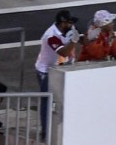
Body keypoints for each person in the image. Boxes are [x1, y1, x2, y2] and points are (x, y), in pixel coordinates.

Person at [35, 10, 81, 138]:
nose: (72, 25)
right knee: (48, 101)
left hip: (60, 68)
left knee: (63, 99)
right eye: (69, 23)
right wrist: (74, 41)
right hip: (46, 71)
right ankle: (45, 132)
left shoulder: (68, 30)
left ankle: (62, 128)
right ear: (62, 23)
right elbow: (64, 52)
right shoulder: (51, 35)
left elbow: (81, 39)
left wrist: (89, 37)